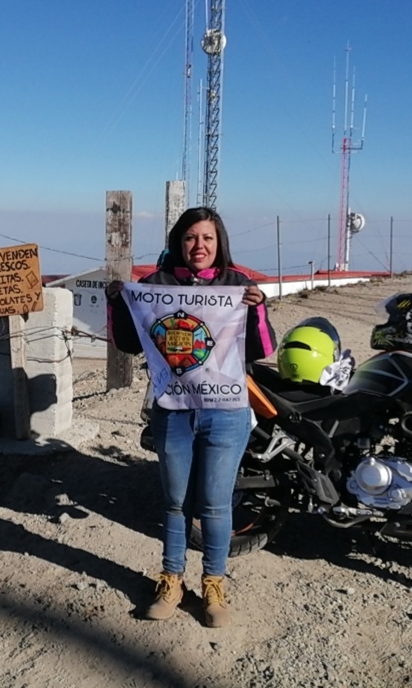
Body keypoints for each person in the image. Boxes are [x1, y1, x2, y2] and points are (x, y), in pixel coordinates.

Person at [106, 206, 277, 627]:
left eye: (207, 239)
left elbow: (262, 349)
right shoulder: (157, 285)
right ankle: (172, 580)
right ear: (177, 243)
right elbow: (130, 342)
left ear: (219, 245)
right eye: (190, 238)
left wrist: (256, 308)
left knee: (217, 506)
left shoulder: (237, 285)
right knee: (175, 503)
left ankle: (214, 586)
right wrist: (117, 303)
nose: (198, 246)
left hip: (226, 413)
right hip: (173, 413)